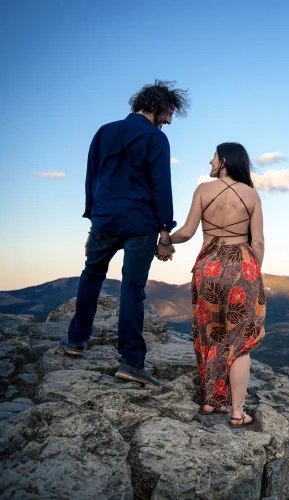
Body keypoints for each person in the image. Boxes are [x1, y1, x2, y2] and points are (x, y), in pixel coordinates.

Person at [58, 80, 190, 386]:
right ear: (158, 107)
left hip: (104, 219)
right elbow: (161, 186)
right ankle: (131, 362)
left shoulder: (104, 131)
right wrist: (165, 233)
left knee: (91, 276)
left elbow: (92, 178)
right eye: (169, 112)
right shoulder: (156, 138)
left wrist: (93, 220)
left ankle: (75, 341)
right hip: (141, 223)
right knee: (132, 290)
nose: (170, 120)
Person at [168, 142, 266, 427]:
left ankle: (211, 400)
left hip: (208, 266)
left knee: (210, 333)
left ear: (223, 161)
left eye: (212, 158)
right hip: (241, 267)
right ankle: (237, 412)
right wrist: (254, 272)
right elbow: (257, 241)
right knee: (240, 341)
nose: (209, 163)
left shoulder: (202, 190)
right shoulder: (251, 195)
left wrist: (164, 240)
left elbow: (186, 232)